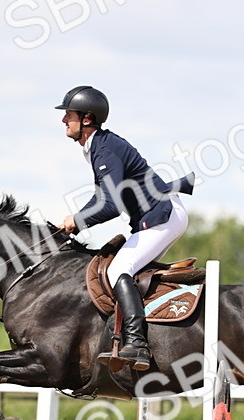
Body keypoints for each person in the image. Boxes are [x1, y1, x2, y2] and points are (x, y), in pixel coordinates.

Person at [57, 86, 194, 371]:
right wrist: (75, 223)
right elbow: (102, 198)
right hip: (159, 215)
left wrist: (77, 220)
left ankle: (137, 344)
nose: (63, 120)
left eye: (68, 114)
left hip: (163, 215)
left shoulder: (104, 148)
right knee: (125, 267)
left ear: (86, 118)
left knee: (120, 269)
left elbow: (109, 206)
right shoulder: (98, 147)